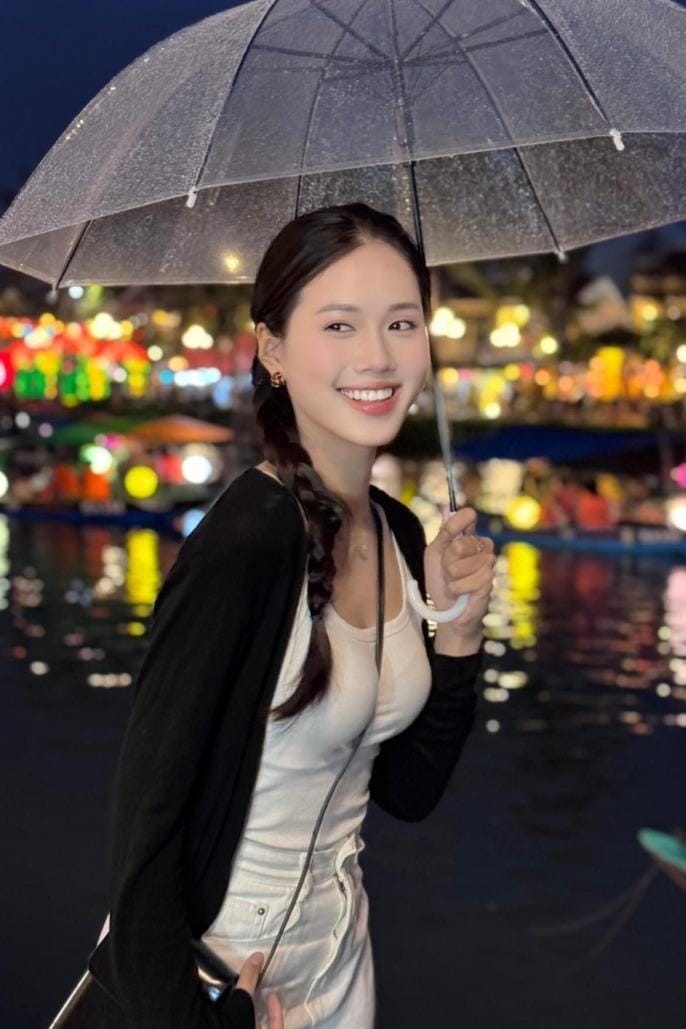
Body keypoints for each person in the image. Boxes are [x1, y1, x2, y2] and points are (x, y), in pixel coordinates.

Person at [84, 203, 494, 1027]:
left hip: (339, 965)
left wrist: (457, 630)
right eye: (339, 324)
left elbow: (408, 790)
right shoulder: (244, 545)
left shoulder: (400, 530)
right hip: (214, 973)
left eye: (401, 322)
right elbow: (144, 835)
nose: (377, 355)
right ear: (272, 348)